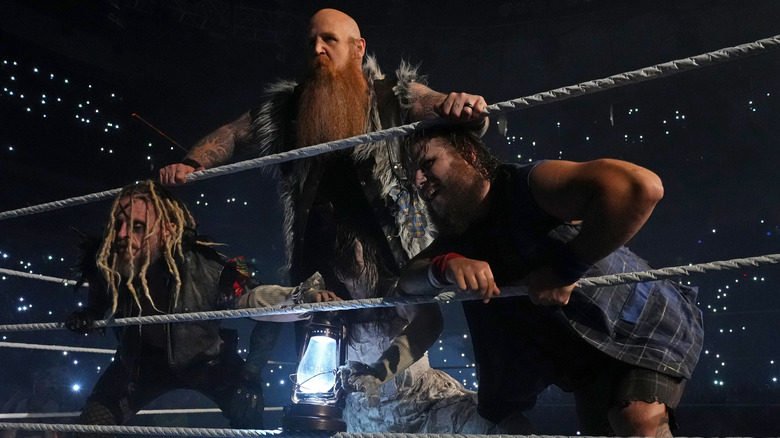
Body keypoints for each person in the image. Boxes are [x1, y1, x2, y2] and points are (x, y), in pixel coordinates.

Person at [158, 8, 493, 433]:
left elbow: (435, 104)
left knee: (397, 383)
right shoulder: (290, 107)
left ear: (358, 49)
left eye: (329, 40)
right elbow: (232, 134)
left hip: (387, 273)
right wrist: (191, 162)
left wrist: (462, 109)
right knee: (318, 406)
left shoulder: (389, 95)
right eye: (312, 41)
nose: (317, 48)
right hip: (320, 283)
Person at [398, 125, 704, 436]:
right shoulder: (459, 236)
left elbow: (640, 186)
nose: (419, 181)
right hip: (582, 360)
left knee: (638, 425)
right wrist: (445, 266)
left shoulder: (528, 185)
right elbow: (407, 282)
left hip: (641, 327)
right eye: (412, 175)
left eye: (427, 164)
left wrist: (567, 269)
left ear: (468, 153)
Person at [65, 180, 338, 436]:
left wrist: (301, 298)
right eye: (118, 225)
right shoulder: (109, 259)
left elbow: (254, 297)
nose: (122, 235)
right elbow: (99, 284)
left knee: (248, 407)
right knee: (90, 426)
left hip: (208, 364)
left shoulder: (210, 264)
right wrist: (90, 313)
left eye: (137, 227)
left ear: (168, 230)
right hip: (139, 364)